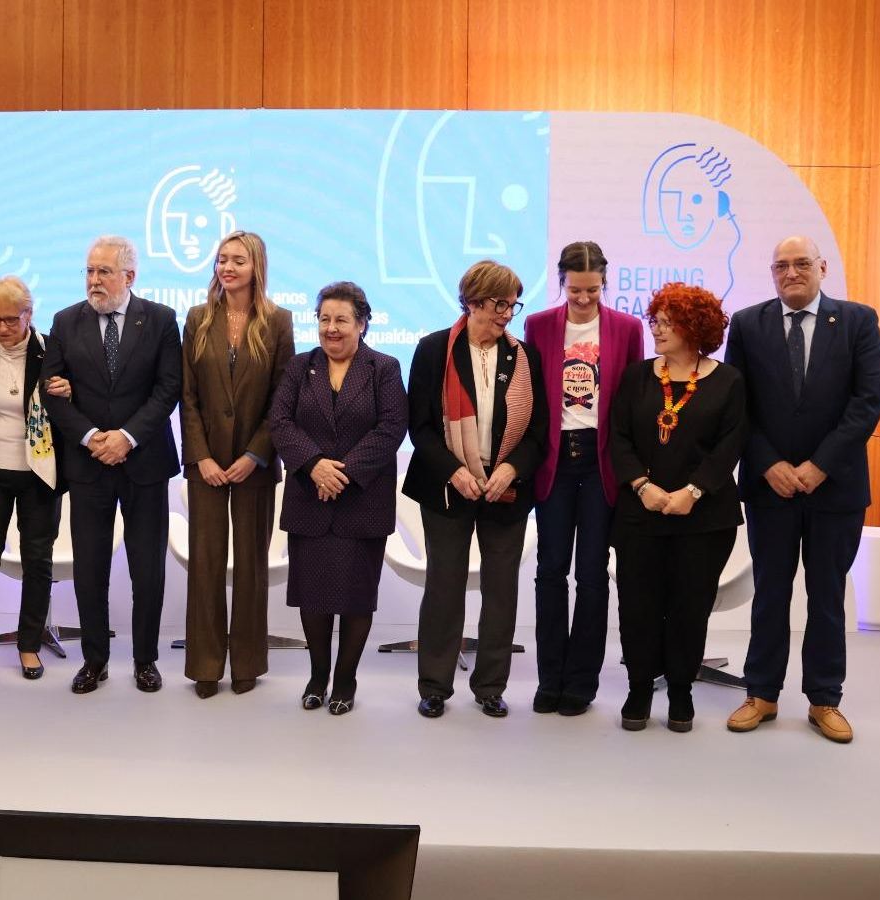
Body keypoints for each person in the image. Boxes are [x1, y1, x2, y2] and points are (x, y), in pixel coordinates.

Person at [723, 236, 880, 743]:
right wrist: (768, 463)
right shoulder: (747, 324)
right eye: (781, 266)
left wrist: (820, 466)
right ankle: (761, 693)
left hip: (835, 489)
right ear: (772, 273)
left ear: (822, 268)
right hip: (769, 487)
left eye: (800, 264)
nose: (790, 273)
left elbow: (868, 402)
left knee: (827, 596)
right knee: (770, 593)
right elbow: (737, 405)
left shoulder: (858, 321)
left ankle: (824, 698)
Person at [40, 235, 183, 694]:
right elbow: (52, 391)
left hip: (144, 462)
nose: (94, 280)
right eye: (89, 270)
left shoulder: (161, 319)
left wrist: (126, 437)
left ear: (129, 276)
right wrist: (90, 437)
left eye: (104, 271)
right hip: (89, 464)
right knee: (90, 568)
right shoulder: (65, 321)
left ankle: (145, 660)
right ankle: (94, 660)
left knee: (148, 568)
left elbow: (168, 388)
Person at [405, 261, 546, 720]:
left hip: (505, 489)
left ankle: (490, 686)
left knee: (501, 590)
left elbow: (538, 432)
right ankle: (434, 686)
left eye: (512, 305)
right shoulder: (433, 350)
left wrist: (511, 468)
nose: (506, 314)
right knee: (444, 586)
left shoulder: (524, 357)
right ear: (472, 301)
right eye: (498, 304)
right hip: (448, 487)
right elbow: (420, 428)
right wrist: (454, 471)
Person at [608, 283, 745, 733]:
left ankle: (682, 691)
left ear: (695, 327)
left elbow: (729, 446)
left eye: (668, 323)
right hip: (640, 514)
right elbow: (618, 438)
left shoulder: (728, 381)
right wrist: (642, 485)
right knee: (638, 606)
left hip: (704, 519)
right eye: (656, 321)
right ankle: (639, 688)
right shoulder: (637, 376)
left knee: (690, 607)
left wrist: (694, 491)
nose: (657, 330)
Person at [269, 282, 406, 715]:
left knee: (356, 598)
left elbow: (391, 427)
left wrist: (340, 473)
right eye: (324, 319)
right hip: (310, 498)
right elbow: (280, 422)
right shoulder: (300, 366)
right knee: (313, 596)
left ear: (361, 324)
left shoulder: (383, 368)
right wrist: (314, 465)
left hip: (361, 501)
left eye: (341, 320)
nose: (331, 328)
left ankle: (345, 679)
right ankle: (316, 677)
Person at [521, 242, 644, 715]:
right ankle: (549, 677)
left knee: (592, 574)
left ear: (604, 283)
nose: (584, 298)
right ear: (561, 281)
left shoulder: (627, 328)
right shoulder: (539, 326)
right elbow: (531, 396)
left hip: (601, 463)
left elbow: (633, 401)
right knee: (550, 571)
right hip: (555, 460)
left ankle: (581, 682)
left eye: (593, 289)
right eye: (575, 289)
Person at [179, 231, 296, 698]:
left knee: (251, 567)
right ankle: (206, 666)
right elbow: (187, 396)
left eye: (238, 260)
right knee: (206, 566)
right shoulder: (197, 318)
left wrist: (255, 454)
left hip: (256, 465)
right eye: (222, 259)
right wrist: (201, 456)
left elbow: (282, 398)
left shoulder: (278, 321)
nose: (227, 267)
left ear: (256, 267)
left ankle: (247, 662)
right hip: (205, 465)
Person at [0, 276, 63, 681]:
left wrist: (70, 390)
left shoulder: (53, 351)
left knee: (38, 560)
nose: (1, 328)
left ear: (28, 314)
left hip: (38, 470)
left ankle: (29, 646)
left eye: (10, 320)